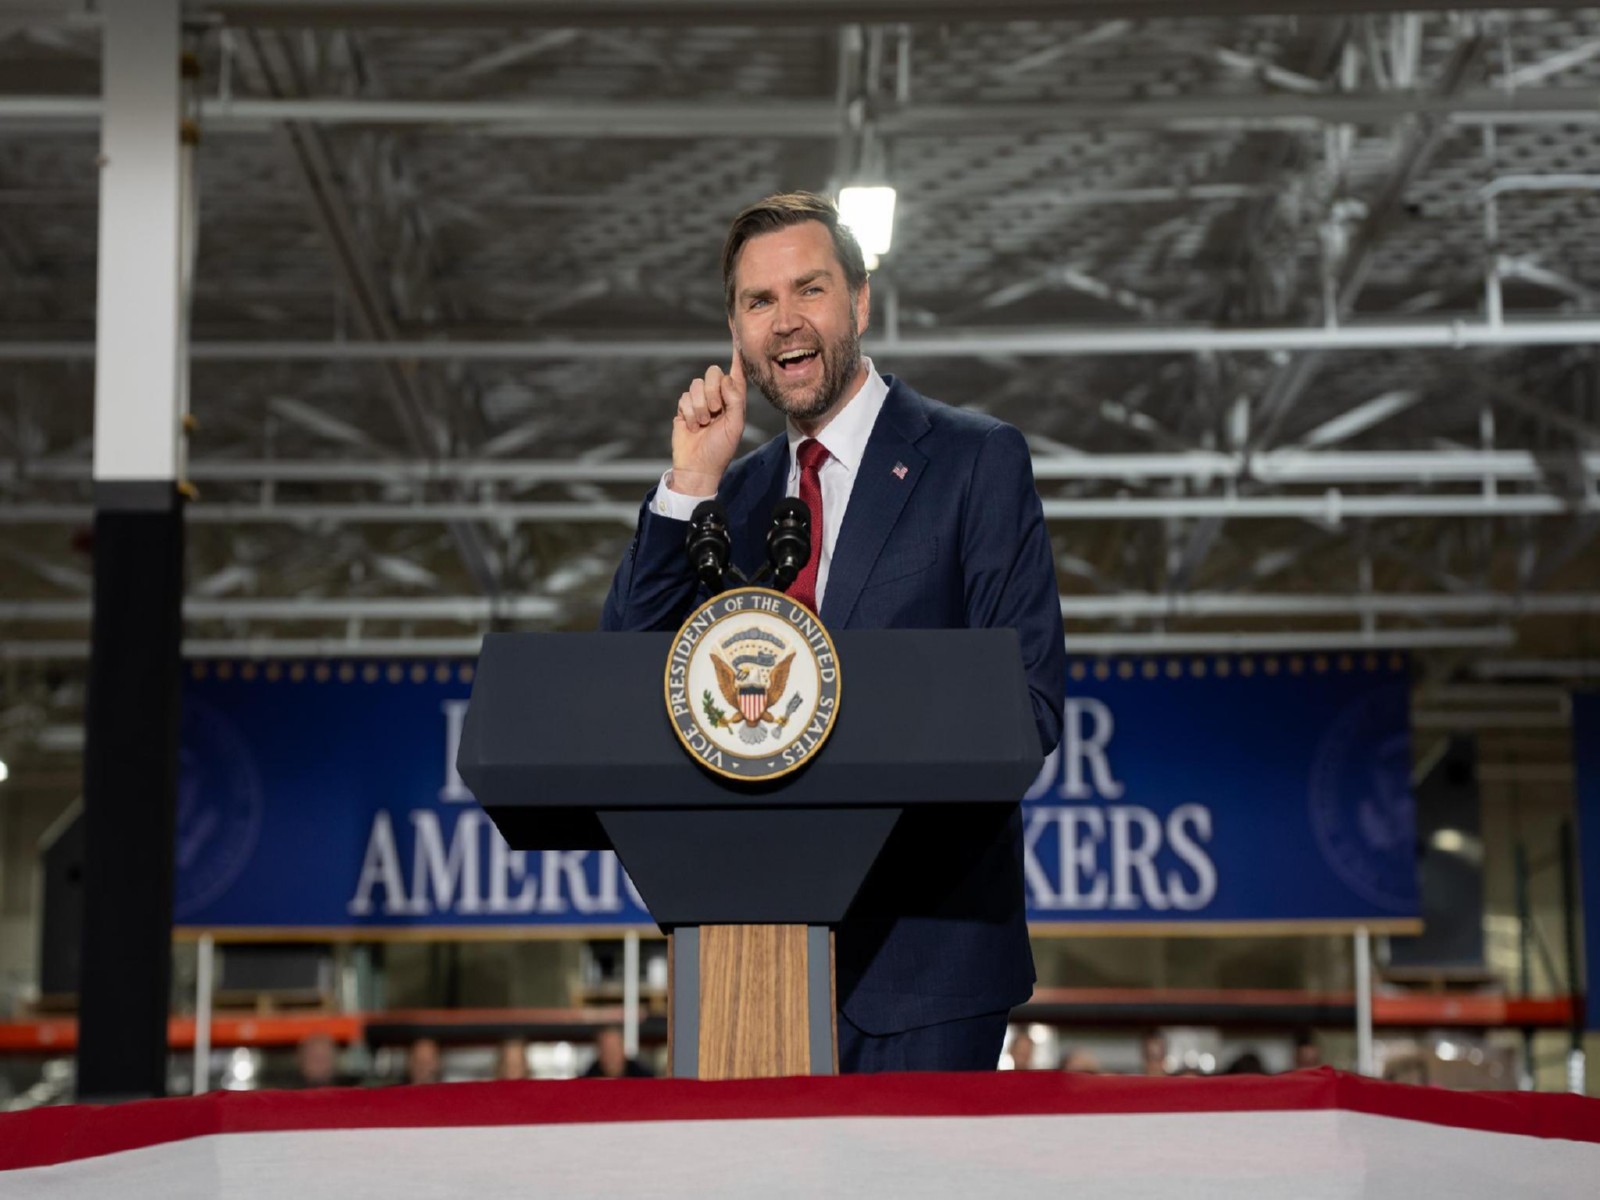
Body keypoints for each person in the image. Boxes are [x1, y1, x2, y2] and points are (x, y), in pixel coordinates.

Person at [601, 192, 1066, 1074]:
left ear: (858, 301)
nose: (786, 322)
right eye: (758, 301)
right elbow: (624, 679)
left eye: (808, 290)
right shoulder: (725, 502)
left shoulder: (974, 461)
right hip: (744, 968)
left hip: (927, 967)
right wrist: (689, 484)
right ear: (736, 332)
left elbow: (1027, 706)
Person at [582, 1026, 654, 1078]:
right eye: (606, 1050)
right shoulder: (586, 1081)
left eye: (614, 1050)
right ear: (599, 1052)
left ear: (623, 1050)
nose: (611, 1056)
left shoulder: (643, 1078)